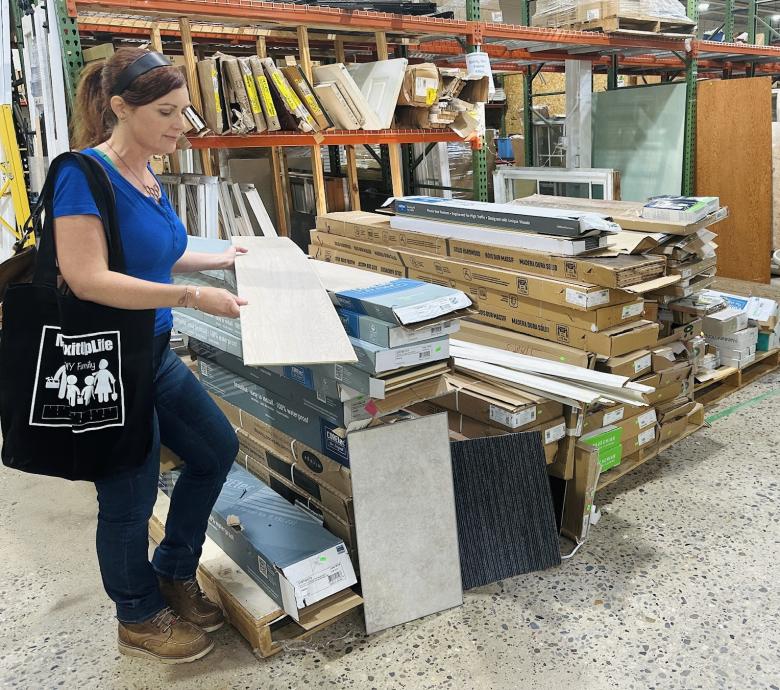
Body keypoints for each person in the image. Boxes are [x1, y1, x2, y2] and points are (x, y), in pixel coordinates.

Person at [53, 47, 248, 664]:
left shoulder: (148, 173)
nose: (181, 125)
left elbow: (153, 251)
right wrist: (192, 295)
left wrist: (222, 259)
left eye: (184, 111)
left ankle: (173, 570)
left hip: (154, 350)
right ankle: (136, 614)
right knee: (129, 498)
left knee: (215, 449)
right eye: (167, 112)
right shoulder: (81, 175)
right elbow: (88, 278)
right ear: (120, 109)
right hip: (108, 360)